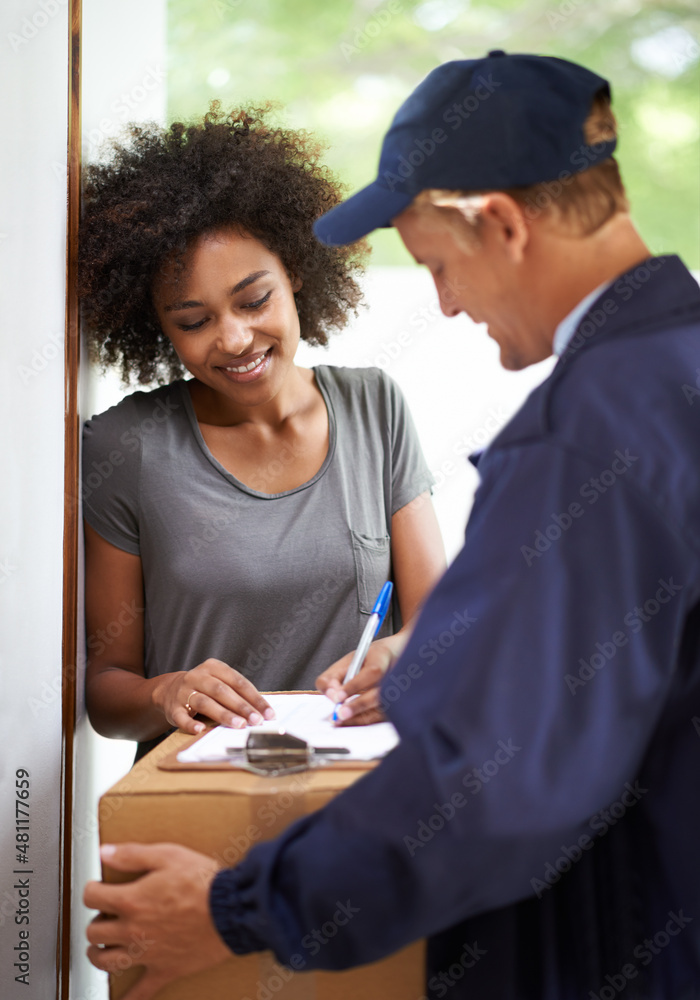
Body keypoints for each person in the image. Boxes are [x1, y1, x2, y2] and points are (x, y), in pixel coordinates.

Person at [83, 54, 700, 999]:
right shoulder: (674, 370)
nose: (448, 302)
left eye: (439, 266)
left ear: (499, 221)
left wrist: (233, 910)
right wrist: (437, 662)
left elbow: (500, 779)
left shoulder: (585, 433)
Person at [79, 105, 445, 759]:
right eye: (193, 320)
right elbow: (107, 693)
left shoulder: (374, 406)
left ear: (296, 272)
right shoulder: (124, 447)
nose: (235, 339)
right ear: (158, 327)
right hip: (197, 805)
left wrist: (399, 655)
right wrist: (165, 693)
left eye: (254, 300)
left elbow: (437, 622)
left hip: (363, 792)